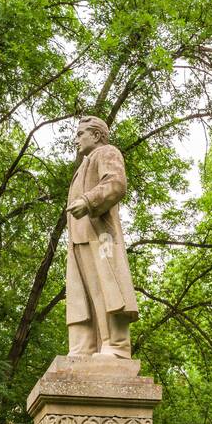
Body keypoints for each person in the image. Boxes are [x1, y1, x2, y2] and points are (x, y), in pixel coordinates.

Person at [66, 116, 139, 358]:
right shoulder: (83, 165)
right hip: (80, 239)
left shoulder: (107, 152)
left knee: (108, 291)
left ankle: (116, 347)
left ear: (96, 135)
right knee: (83, 297)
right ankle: (84, 348)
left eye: (80, 134)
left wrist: (88, 201)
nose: (76, 139)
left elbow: (117, 183)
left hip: (101, 238)